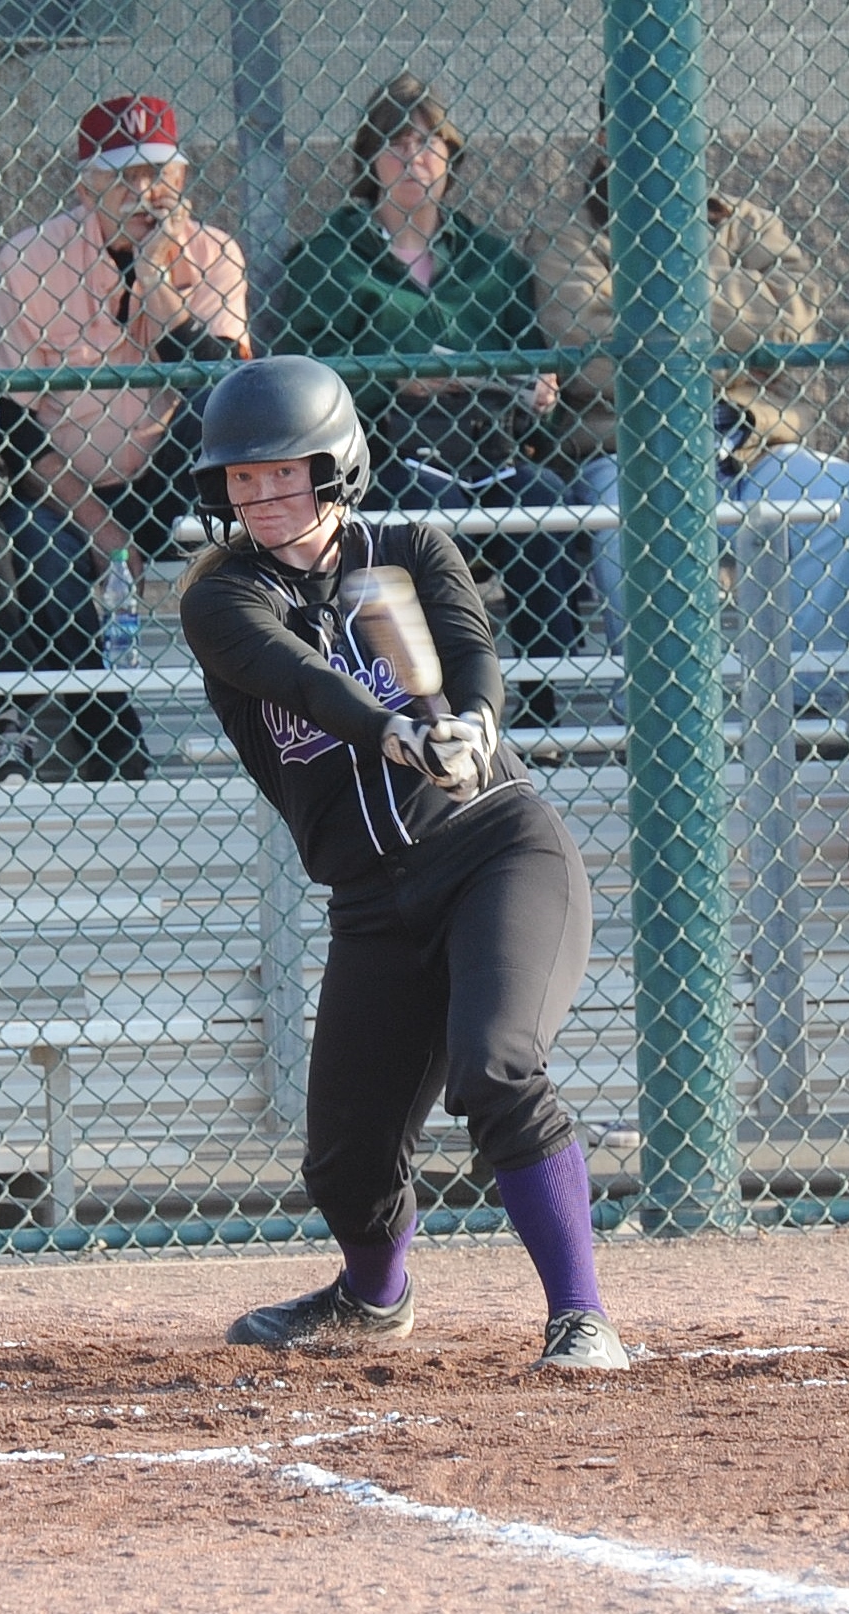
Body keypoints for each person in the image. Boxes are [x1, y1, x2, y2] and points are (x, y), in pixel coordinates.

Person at [176, 354, 626, 1372]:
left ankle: (579, 1313)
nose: (261, 495)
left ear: (336, 467)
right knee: (344, 1153)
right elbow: (293, 676)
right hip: (372, 896)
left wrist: (468, 723)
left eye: (284, 472)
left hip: (494, 851)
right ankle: (371, 1298)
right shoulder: (219, 600)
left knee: (495, 1064)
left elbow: (466, 649)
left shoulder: (411, 543)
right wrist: (389, 731)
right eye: (241, 480)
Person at [276, 74, 579, 724]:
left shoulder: (491, 261)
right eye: (394, 144)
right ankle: (434, 706)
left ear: (451, 157)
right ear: (368, 161)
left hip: (489, 445)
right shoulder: (329, 259)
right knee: (421, 513)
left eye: (427, 144)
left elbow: (532, 353)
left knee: (547, 500)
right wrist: (390, 379)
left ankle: (544, 707)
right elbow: (300, 377)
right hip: (395, 452)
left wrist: (542, 390)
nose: (412, 159)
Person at [535, 120, 849, 680]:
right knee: (620, 515)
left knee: (846, 495)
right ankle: (648, 715)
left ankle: (806, 697)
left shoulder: (742, 220)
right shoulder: (570, 231)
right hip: (631, 446)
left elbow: (793, 325)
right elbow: (586, 353)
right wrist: (735, 331)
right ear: (601, 137)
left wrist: (663, 294)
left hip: (751, 442)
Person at [0, 94, 251, 782]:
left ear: (183, 177)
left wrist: (158, 278)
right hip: (65, 487)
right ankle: (107, 732)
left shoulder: (214, 250)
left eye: (157, 172)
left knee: (219, 402)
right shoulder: (27, 259)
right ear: (84, 187)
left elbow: (219, 386)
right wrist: (109, 538)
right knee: (46, 569)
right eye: (121, 177)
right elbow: (17, 434)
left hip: (177, 482)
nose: (143, 191)